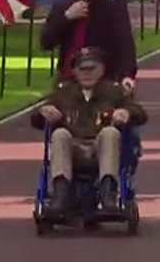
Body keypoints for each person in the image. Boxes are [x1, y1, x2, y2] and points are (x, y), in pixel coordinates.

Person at [31, 47, 148, 217]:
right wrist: (45, 112)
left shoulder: (114, 90)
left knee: (110, 133)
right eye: (82, 69)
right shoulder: (64, 92)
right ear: (74, 71)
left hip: (100, 147)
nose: (87, 73)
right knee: (59, 134)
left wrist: (126, 112)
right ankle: (61, 195)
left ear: (101, 69)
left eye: (92, 68)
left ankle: (108, 194)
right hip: (73, 147)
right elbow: (36, 118)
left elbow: (139, 112)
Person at [41, 0, 137, 91]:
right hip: (70, 78)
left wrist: (127, 74)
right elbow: (46, 42)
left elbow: (124, 40)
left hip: (104, 78)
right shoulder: (64, 3)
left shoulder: (112, 5)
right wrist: (67, 17)